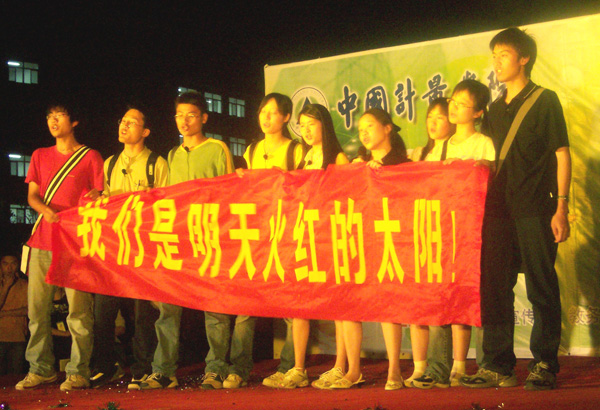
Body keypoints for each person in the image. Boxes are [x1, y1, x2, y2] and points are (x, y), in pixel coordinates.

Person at [460, 27, 570, 391]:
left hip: (536, 207)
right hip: (498, 212)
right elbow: (489, 158)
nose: (497, 62)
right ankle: (497, 366)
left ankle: (544, 363)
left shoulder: (544, 100)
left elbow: (562, 154)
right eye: (494, 56)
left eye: (504, 54)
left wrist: (562, 206)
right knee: (495, 286)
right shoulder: (493, 109)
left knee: (541, 286)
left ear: (524, 58)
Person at [149, 91, 237, 391]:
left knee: (215, 305)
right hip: (178, 240)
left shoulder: (217, 148)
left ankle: (216, 368)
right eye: (179, 115)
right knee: (168, 307)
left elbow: (230, 192)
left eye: (191, 115)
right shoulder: (172, 155)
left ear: (204, 118)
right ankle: (164, 370)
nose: (184, 121)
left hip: (210, 237)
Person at [411, 80, 495, 389]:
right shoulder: (440, 148)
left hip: (473, 234)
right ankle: (438, 369)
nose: (455, 107)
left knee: (474, 297)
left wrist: (473, 167)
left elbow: (490, 178)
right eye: (453, 102)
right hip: (443, 234)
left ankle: (480, 367)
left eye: (462, 103)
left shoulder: (484, 143)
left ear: (478, 112)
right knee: (440, 298)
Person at [16, 100, 104, 391]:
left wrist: (93, 199)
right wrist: (46, 211)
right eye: (49, 116)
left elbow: (98, 196)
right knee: (36, 311)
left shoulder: (90, 156)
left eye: (60, 115)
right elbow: (32, 195)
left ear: (74, 121)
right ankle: (40, 369)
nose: (53, 121)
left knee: (78, 311)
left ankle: (78, 371)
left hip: (74, 243)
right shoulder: (40, 155)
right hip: (42, 240)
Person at [89, 104, 167, 389]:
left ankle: (142, 367)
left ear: (145, 131)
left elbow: (167, 205)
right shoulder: (109, 163)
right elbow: (105, 201)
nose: (124, 125)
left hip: (144, 250)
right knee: (103, 310)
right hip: (114, 248)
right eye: (123, 120)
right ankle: (105, 366)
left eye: (132, 122)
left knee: (142, 312)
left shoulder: (157, 163)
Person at [332, 108, 410, 390]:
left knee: (390, 304)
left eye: (370, 126)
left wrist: (384, 174)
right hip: (359, 239)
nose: (363, 133)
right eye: (360, 128)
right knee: (350, 301)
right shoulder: (358, 163)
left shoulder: (404, 163)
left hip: (389, 240)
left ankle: (394, 370)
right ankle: (354, 370)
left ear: (387, 128)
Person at [277, 104, 349, 389]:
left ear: (324, 125)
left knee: (339, 305)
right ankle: (298, 367)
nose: (306, 130)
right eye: (302, 125)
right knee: (300, 303)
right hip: (304, 237)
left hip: (329, 238)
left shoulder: (338, 157)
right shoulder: (304, 157)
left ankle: (340, 365)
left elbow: (346, 198)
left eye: (311, 124)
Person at [238, 93, 304, 389]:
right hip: (257, 234)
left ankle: (289, 366)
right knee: (246, 303)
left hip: (286, 233)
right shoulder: (252, 150)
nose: (265, 117)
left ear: (286, 118)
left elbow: (305, 189)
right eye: (262, 111)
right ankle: (239, 368)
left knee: (290, 304)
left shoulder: (295, 149)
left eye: (273, 112)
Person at [406, 98, 455, 386]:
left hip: (448, 233)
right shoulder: (420, 153)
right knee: (420, 303)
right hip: (421, 233)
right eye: (430, 117)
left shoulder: (457, 150)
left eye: (440, 117)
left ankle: (442, 369)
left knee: (440, 302)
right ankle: (423, 366)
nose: (433, 123)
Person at [0, 254, 28, 375]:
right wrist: (6, 287)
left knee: (16, 375)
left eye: (13, 263)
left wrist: (5, 313)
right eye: (5, 263)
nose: (9, 267)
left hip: (18, 337)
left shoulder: (24, 284)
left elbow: (29, 310)